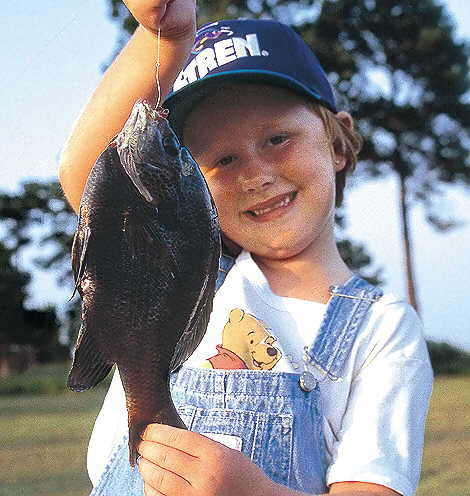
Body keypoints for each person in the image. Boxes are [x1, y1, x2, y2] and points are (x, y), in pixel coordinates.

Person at [58, 1, 433, 495]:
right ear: (191, 183)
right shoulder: (190, 272)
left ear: (338, 144)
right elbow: (86, 176)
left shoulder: (383, 328)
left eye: (278, 139)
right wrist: (166, 39)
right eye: (223, 159)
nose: (254, 175)